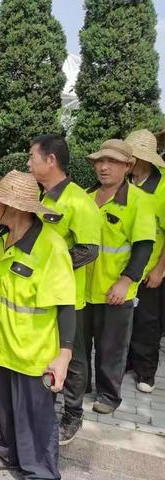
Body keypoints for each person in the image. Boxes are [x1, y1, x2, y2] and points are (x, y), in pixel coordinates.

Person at [0, 170, 76, 480]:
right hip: (4, 345)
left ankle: (41, 472)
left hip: (34, 351)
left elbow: (66, 303)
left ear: (14, 208)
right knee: (5, 410)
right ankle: (10, 455)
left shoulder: (51, 247)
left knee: (36, 418)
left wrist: (64, 355)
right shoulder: (1, 241)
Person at [27, 134, 101, 445]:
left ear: (51, 160)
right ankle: (47, 406)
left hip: (70, 298)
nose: (28, 163)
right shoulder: (43, 197)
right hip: (41, 295)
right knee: (49, 353)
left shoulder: (78, 201)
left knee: (75, 357)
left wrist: (53, 268)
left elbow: (90, 249)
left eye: (32, 157)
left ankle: (73, 414)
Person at [85, 139, 155, 414]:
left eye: (112, 162)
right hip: (83, 288)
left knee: (111, 348)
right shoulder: (86, 197)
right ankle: (81, 387)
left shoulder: (139, 201)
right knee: (79, 345)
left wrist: (126, 281)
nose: (103, 167)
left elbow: (144, 246)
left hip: (114, 290)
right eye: (100, 161)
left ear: (128, 166)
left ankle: (109, 396)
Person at [125, 129, 165, 393]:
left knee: (148, 321)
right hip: (122, 268)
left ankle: (146, 371)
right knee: (126, 318)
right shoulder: (124, 184)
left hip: (150, 268)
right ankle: (128, 360)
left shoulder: (161, 188)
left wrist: (160, 268)